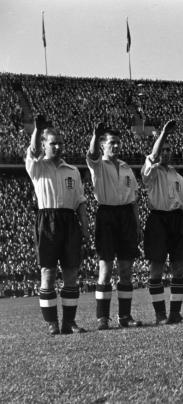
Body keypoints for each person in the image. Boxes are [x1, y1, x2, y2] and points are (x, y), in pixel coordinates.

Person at [25, 114, 89, 335]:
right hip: (47, 220)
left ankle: (68, 322)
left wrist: (86, 228)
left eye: (61, 143)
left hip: (70, 221)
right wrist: (37, 129)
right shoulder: (37, 167)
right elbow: (32, 152)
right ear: (44, 144)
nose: (58, 146)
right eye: (53, 143)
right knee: (48, 273)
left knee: (71, 272)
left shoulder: (72, 170)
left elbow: (81, 202)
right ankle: (52, 323)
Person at [87, 123, 143, 329]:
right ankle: (102, 317)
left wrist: (137, 225)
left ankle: (125, 316)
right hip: (107, 215)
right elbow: (92, 154)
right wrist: (95, 135)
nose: (116, 146)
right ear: (103, 145)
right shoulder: (98, 164)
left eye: (118, 143)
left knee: (126, 269)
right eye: (112, 143)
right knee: (106, 267)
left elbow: (134, 200)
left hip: (126, 217)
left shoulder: (126, 167)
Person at [141, 120, 183, 324]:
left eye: (169, 150)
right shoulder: (151, 172)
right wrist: (163, 134)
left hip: (177, 220)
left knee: (179, 267)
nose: (166, 153)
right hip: (158, 220)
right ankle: (159, 314)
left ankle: (175, 313)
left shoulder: (178, 176)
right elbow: (152, 157)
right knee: (157, 266)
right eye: (163, 150)